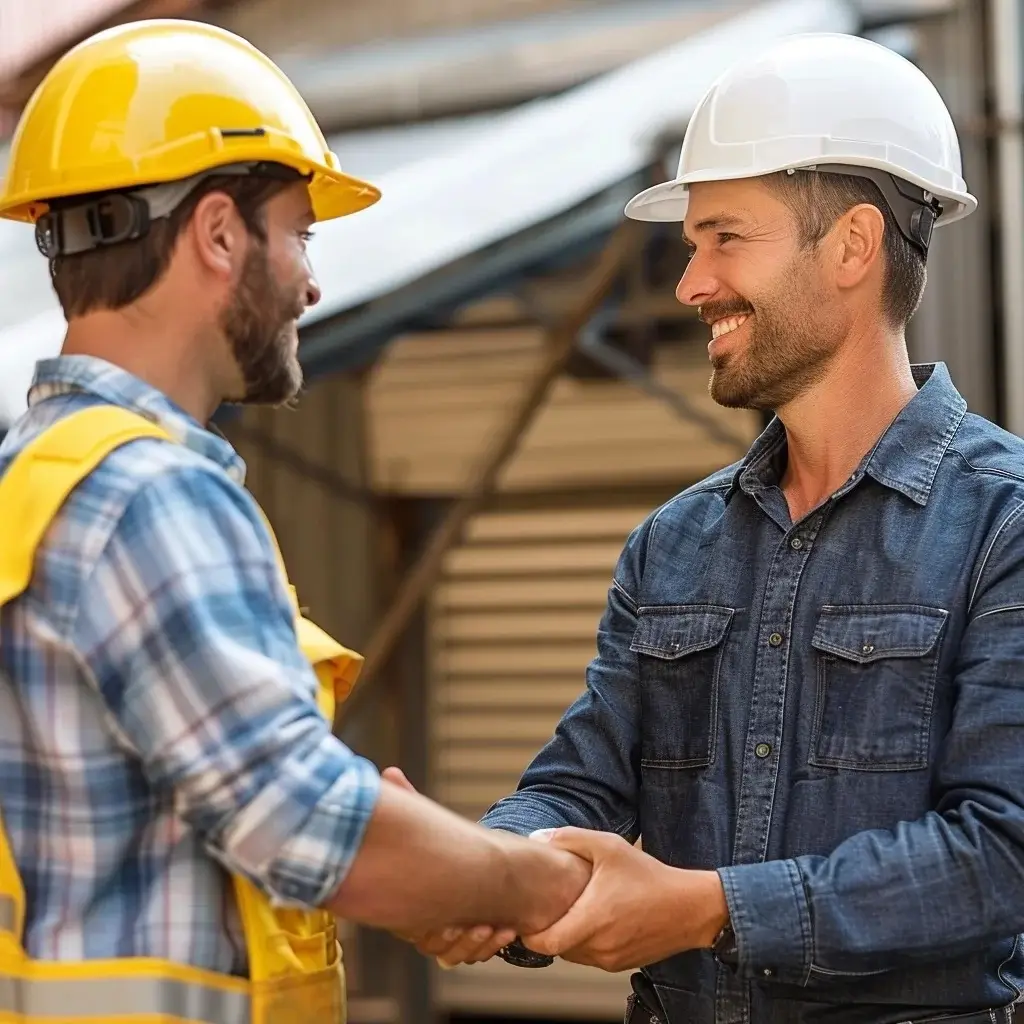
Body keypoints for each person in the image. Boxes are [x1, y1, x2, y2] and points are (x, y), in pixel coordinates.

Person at [409, 31, 1024, 1024]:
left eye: (724, 237)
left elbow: (1002, 854)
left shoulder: (1003, 523)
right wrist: (478, 870)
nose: (690, 282)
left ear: (852, 246)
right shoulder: (674, 544)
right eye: (691, 243)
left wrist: (706, 909)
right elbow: (582, 780)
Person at [0, 19, 588, 1024]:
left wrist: (425, 862)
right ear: (219, 232)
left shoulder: (29, 481)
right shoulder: (147, 492)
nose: (313, 283)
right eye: (300, 233)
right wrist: (544, 887)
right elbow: (312, 826)